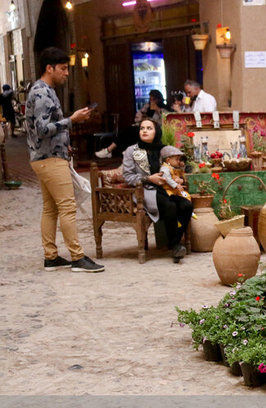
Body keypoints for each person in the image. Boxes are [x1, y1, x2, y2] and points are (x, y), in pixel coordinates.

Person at [26, 47, 104, 273]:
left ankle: (51, 257)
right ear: (49, 68)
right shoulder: (41, 92)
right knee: (67, 207)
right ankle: (78, 257)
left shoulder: (44, 90)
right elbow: (42, 129)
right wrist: (72, 119)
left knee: (51, 208)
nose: (67, 73)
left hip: (45, 157)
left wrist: (65, 139)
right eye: (63, 68)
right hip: (49, 159)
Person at [121, 119, 193, 263]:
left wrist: (179, 179)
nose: (144, 131)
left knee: (187, 205)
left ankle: (175, 240)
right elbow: (128, 176)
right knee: (170, 206)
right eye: (142, 128)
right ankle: (175, 246)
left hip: (166, 189)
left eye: (149, 128)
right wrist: (149, 178)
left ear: (156, 132)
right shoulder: (132, 151)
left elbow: (176, 168)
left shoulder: (163, 150)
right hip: (145, 191)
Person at [95, 89, 169, 158]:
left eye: (154, 99)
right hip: (142, 126)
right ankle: (110, 150)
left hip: (155, 130)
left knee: (135, 132)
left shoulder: (163, 108)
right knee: (127, 131)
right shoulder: (147, 107)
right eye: (150, 99)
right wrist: (143, 116)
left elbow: (165, 121)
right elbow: (138, 116)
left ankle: (114, 150)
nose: (152, 101)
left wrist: (157, 110)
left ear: (158, 99)